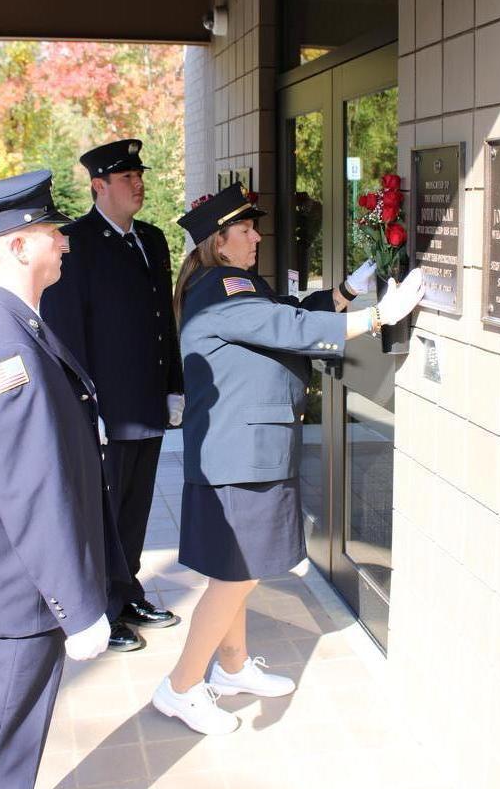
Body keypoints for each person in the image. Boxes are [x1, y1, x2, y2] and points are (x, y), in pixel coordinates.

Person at [151, 182, 424, 734]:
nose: (256, 236)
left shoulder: (237, 285)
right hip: (239, 455)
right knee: (236, 576)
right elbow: (284, 327)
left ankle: (230, 668)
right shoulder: (219, 287)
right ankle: (179, 687)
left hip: (245, 450)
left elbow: (288, 314)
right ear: (218, 242)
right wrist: (376, 317)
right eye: (245, 229)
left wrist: (345, 293)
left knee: (237, 571)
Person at [0, 170, 113, 789]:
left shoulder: (10, 323)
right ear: (18, 247)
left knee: (2, 766)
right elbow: (31, 491)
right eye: (50, 230)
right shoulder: (1, 345)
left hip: (12, 587)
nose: (63, 239)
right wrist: (79, 609)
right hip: (16, 600)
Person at [42, 138, 183, 651]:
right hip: (107, 407)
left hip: (147, 401)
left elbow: (163, 320)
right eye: (127, 178)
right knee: (101, 511)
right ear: (99, 187)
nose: (138, 184)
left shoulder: (151, 238)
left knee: (136, 506)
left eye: (139, 175)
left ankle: (127, 592)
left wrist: (174, 386)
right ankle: (100, 607)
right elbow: (66, 334)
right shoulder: (75, 242)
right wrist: (87, 408)